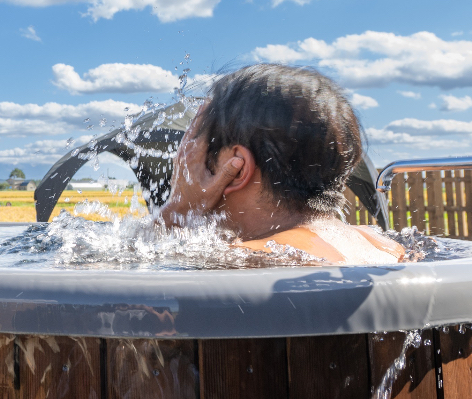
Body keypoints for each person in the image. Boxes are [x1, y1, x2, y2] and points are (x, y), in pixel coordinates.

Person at [160, 64, 404, 264]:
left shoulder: (247, 259)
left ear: (237, 169)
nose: (185, 170)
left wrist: (178, 210)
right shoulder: (385, 245)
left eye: (198, 161)